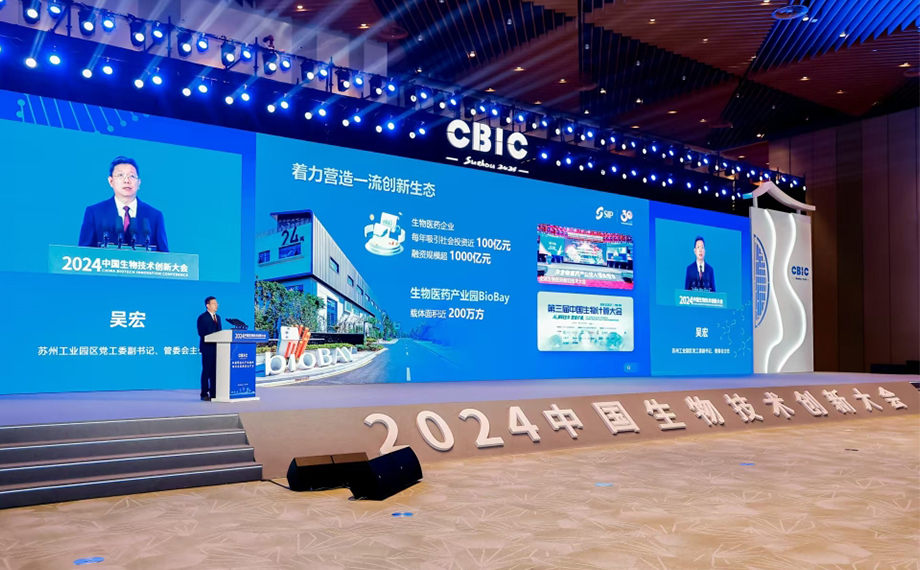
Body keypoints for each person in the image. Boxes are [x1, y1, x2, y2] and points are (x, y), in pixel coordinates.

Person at [78, 157, 169, 251]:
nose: (127, 180)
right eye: (120, 175)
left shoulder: (154, 216)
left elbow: (163, 255)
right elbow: (84, 253)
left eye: (132, 176)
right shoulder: (94, 213)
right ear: (111, 181)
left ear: (139, 183)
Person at [197, 296, 222, 401]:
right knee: (206, 371)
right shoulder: (203, 317)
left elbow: (220, 333)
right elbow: (202, 333)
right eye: (214, 303)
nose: (216, 305)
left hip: (217, 348)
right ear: (207, 305)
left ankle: (214, 393)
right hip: (207, 349)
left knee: (215, 372)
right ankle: (204, 393)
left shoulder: (218, 317)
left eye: (217, 303)